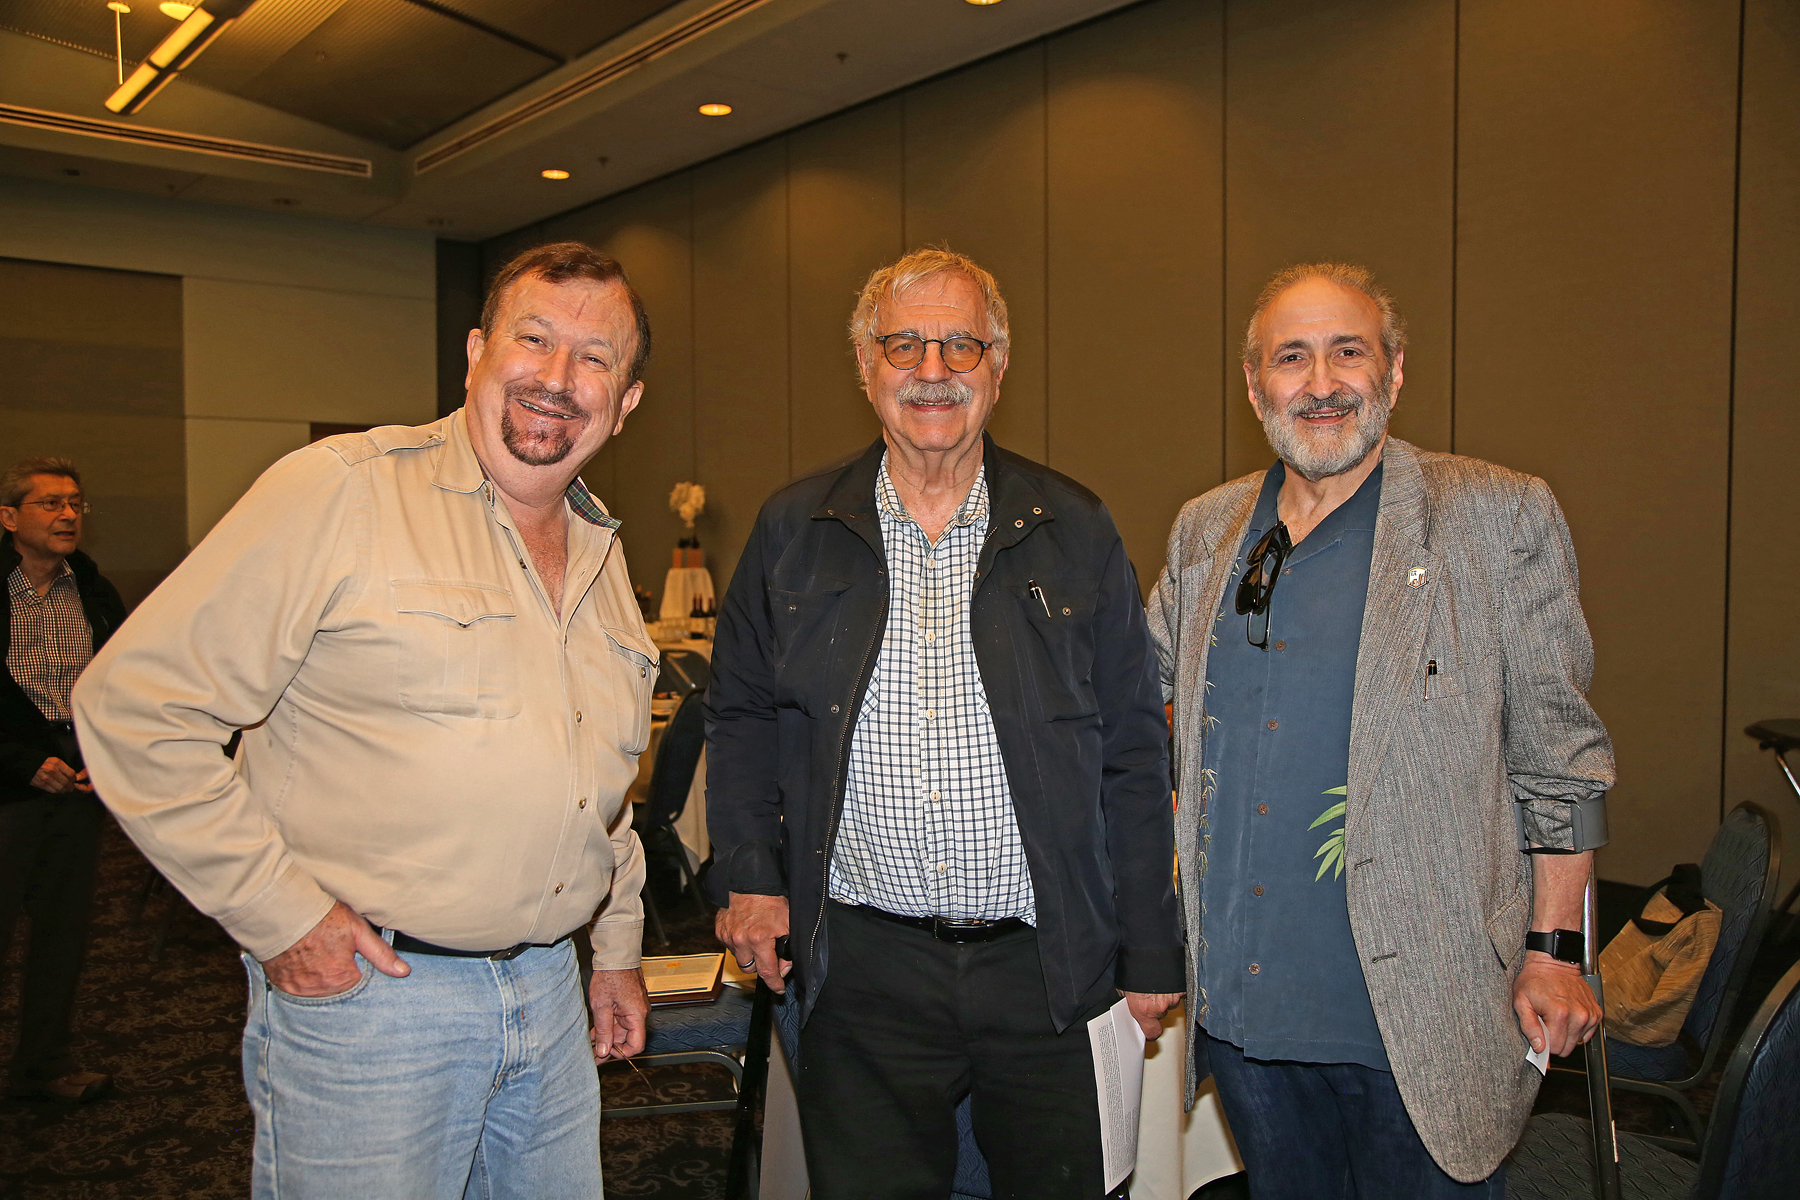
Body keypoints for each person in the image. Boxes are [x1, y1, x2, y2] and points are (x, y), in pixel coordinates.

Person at [72, 241, 657, 1198]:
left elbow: (597, 790)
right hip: (378, 1003)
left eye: (596, 358)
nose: (558, 378)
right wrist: (281, 916)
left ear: (626, 400)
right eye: (535, 339)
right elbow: (135, 707)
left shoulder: (603, 560)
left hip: (551, 1002)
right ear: (475, 352)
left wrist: (617, 952)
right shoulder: (342, 489)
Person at [707, 248, 1185, 1199]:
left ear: (999, 368)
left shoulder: (1075, 528)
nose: (934, 370)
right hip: (861, 963)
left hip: (1048, 966)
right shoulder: (795, 530)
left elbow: (1134, 753)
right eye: (905, 344)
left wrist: (1150, 950)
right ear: (865, 365)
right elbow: (744, 716)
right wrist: (751, 877)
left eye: (963, 345)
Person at [1148, 262, 1615, 1196]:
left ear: (1393, 373)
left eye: (1347, 352)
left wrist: (1556, 950)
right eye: (1292, 358)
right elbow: (1149, 703)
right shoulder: (1206, 533)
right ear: (1255, 386)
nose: (1321, 383)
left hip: (1421, 1010)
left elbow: (1560, 756)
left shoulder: (1492, 516)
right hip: (1245, 1011)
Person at [0, 458, 125, 1103]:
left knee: (62, 936)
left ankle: (43, 1068)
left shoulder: (94, 590)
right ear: (9, 517)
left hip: (77, 777)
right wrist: (21, 762)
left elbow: (120, 682)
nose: (68, 515)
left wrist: (100, 755)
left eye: (75, 503)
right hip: (8, 781)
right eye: (49, 504)